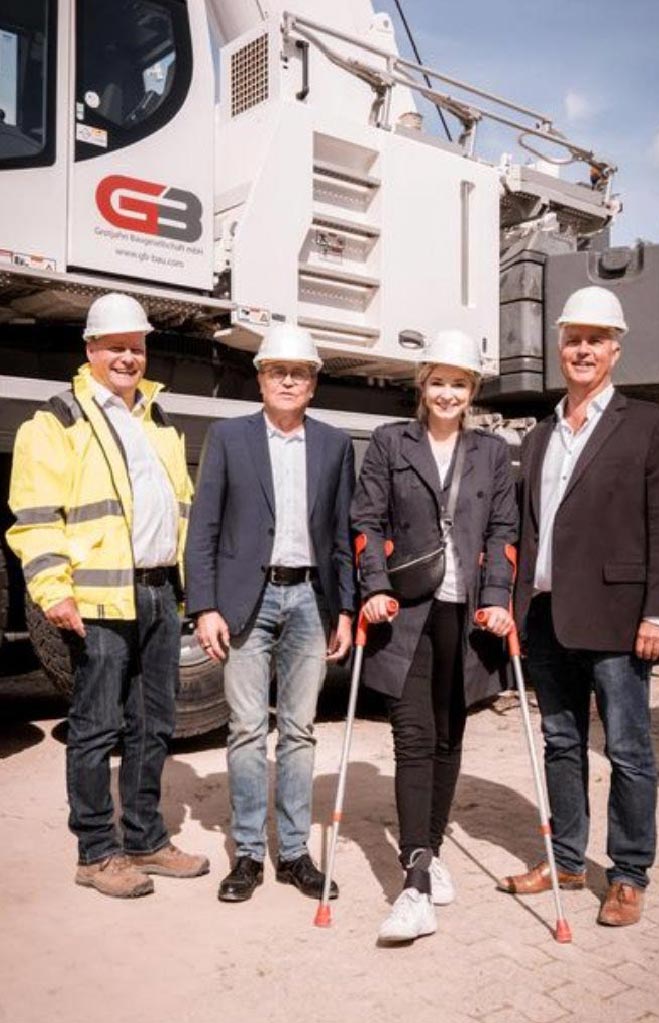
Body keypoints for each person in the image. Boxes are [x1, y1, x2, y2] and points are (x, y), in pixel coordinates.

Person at [6, 292, 208, 898]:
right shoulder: (55, 422)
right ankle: (97, 852)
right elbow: (35, 517)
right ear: (90, 348)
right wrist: (51, 589)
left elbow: (181, 513)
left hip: (156, 595)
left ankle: (145, 840)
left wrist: (194, 590)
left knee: (154, 725)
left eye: (137, 347)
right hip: (97, 599)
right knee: (96, 727)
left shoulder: (157, 422)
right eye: (116, 346)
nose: (128, 357)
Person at [497, 286, 659, 927]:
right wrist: (516, 606)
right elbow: (527, 526)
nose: (583, 350)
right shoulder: (543, 432)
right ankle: (568, 862)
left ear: (615, 349)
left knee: (629, 751)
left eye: (595, 339)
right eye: (573, 338)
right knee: (561, 742)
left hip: (620, 618)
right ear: (560, 346)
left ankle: (629, 875)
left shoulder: (652, 424)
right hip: (548, 614)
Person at [350, 329, 517, 943]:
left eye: (461, 383)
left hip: (466, 614)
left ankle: (432, 846)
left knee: (449, 735)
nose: (449, 393)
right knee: (413, 736)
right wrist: (371, 587)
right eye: (439, 381)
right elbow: (365, 518)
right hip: (407, 609)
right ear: (422, 386)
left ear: (473, 390)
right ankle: (414, 881)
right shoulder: (391, 442)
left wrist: (498, 598)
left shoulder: (492, 452)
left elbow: (503, 529)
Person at [184, 323, 356, 903]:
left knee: (301, 731)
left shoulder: (335, 445)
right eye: (277, 370)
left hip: (311, 599)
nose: (288, 380)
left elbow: (341, 535)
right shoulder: (229, 438)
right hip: (244, 604)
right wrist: (204, 605)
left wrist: (346, 610)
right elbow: (203, 528)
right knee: (247, 730)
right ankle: (250, 856)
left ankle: (293, 854)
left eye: (299, 372)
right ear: (261, 379)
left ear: (313, 383)